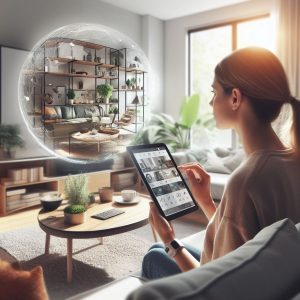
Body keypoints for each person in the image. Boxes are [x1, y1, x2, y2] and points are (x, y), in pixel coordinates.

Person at [142, 47, 300, 279]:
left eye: (214, 92)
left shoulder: (246, 181)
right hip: (275, 281)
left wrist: (169, 241)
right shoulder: (292, 160)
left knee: (155, 255)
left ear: (235, 97)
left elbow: (217, 286)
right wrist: (206, 201)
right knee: (157, 250)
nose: (210, 102)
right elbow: (246, 238)